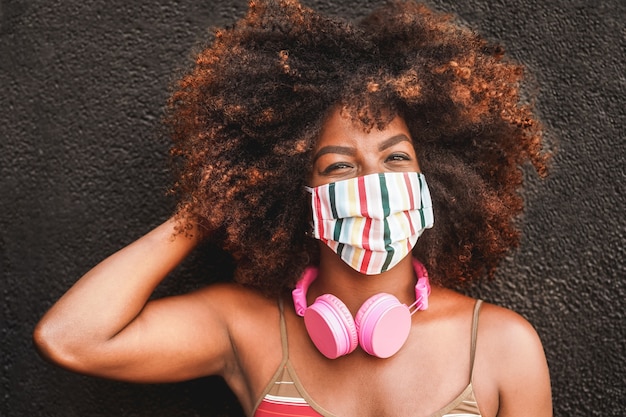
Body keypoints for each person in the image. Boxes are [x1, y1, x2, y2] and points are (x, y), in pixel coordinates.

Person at [33, 0, 552, 416]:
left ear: (433, 177)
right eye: (339, 167)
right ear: (291, 192)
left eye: (395, 157)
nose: (374, 183)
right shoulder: (247, 325)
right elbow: (72, 338)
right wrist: (209, 208)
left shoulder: (504, 345)